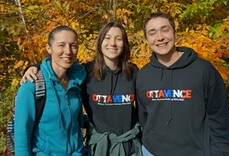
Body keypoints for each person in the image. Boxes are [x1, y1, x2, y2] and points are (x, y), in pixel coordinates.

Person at [20, 22, 142, 156]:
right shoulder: (84, 73)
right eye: (107, 38)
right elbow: (59, 66)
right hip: (99, 148)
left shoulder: (134, 73)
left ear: (124, 44)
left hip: (129, 148)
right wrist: (34, 67)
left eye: (118, 39)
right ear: (100, 42)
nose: (112, 43)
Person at [136, 12, 229, 156]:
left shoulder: (203, 70)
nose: (160, 37)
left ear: (174, 32)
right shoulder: (143, 75)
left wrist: (219, 152)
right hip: (151, 152)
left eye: (165, 29)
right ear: (147, 39)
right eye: (152, 32)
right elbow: (143, 118)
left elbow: (220, 118)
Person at [15, 25, 87, 156]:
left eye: (73, 45)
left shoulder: (77, 81)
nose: (68, 51)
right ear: (49, 48)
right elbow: (21, 135)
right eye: (61, 45)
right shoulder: (32, 85)